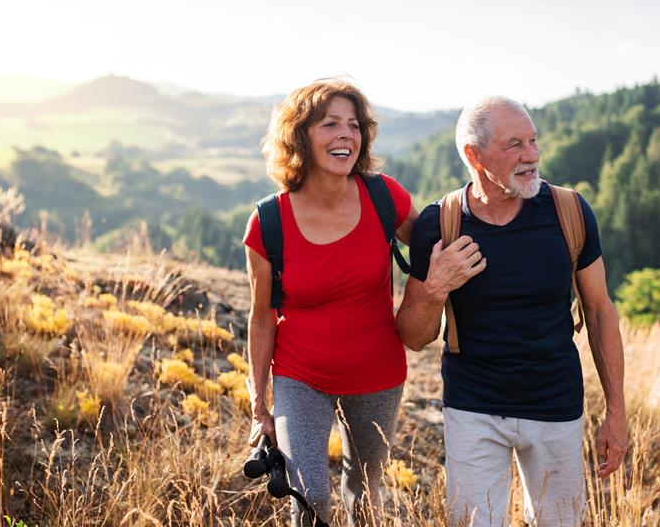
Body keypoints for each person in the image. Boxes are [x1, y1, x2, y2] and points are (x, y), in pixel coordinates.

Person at [396, 96, 628, 526]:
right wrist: (435, 289)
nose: (532, 156)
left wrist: (616, 411)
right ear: (474, 155)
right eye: (515, 145)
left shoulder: (570, 212)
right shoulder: (440, 223)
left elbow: (599, 312)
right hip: (473, 408)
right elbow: (412, 335)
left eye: (534, 141)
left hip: (556, 405)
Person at [243, 79, 418, 526]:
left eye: (354, 125)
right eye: (331, 124)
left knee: (364, 493)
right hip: (300, 376)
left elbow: (437, 248)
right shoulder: (268, 222)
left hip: (377, 374)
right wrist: (259, 401)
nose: (346, 134)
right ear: (300, 136)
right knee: (310, 496)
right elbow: (262, 318)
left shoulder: (384, 197)